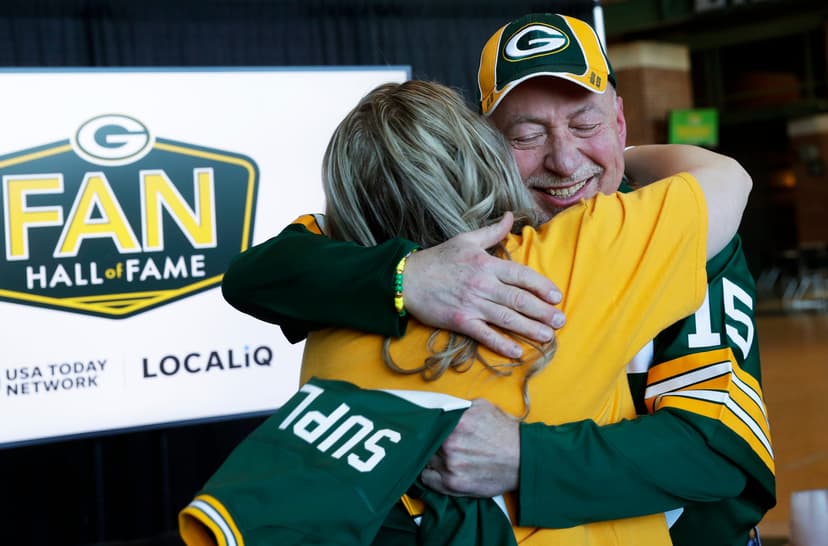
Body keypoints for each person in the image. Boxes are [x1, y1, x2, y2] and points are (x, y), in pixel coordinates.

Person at [221, 13, 775, 546]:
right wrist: (405, 277)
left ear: (620, 121)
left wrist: (521, 458)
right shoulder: (440, 236)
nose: (564, 160)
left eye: (587, 125)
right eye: (527, 135)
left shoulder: (677, 235)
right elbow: (259, 271)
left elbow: (720, 448)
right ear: (483, 146)